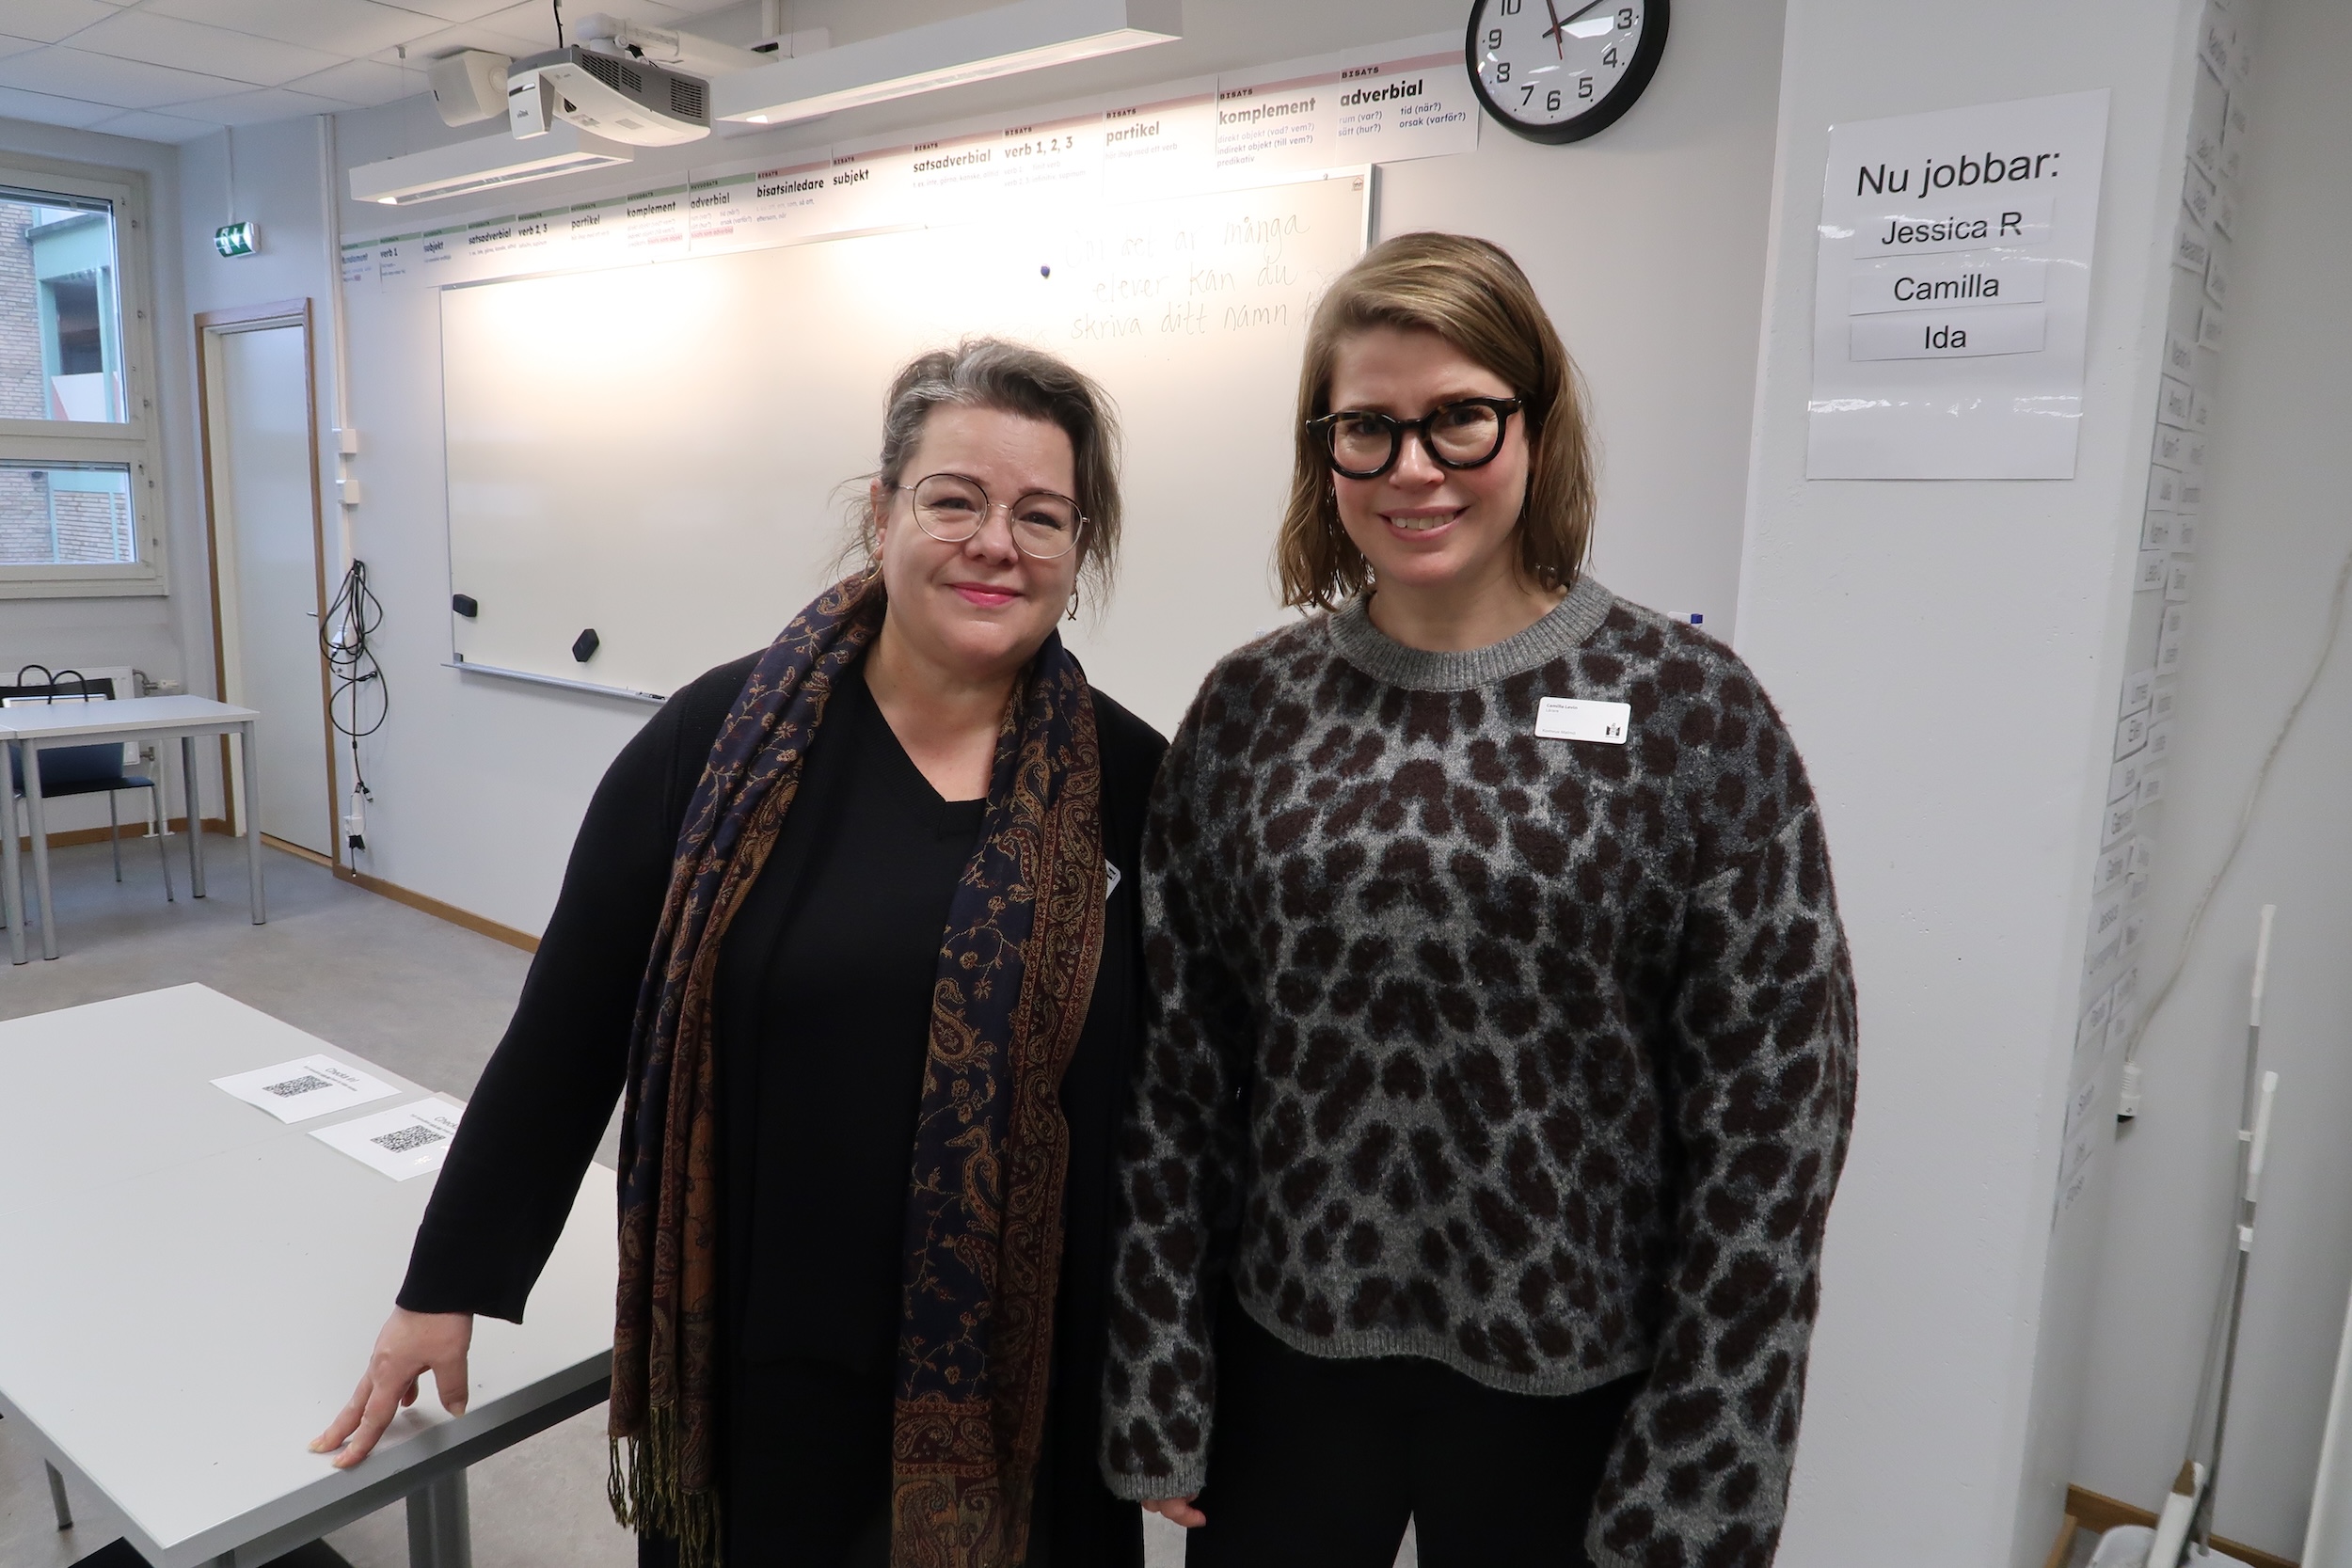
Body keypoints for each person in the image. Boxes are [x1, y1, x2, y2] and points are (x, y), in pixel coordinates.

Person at [312, 340, 1161, 1568]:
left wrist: (1179, 1373)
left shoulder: (1130, 783)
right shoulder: (716, 743)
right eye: (956, 499)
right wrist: (444, 1282)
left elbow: (1179, 1107)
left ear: (1077, 550)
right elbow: (567, 1032)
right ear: (882, 511)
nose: (998, 542)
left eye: (1042, 514)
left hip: (1028, 1374)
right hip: (770, 1355)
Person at [1098, 232, 1859, 1568]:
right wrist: (1161, 1367)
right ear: (1320, 449)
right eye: (1369, 430)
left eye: (1459, 418)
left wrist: (1706, 1457)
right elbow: (1177, 1066)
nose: (1414, 469)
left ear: (1536, 424)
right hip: (1291, 1354)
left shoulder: (1692, 710)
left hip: (1573, 1378)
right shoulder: (1251, 710)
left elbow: (1775, 1121)